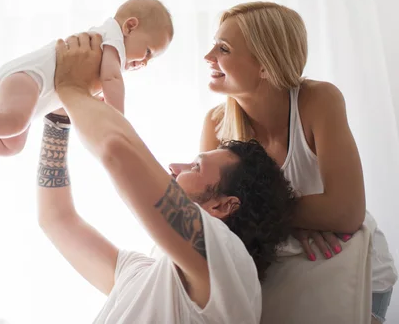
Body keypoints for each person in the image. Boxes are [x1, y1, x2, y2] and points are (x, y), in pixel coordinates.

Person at [36, 33, 296, 323]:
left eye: (196, 167)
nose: (174, 166)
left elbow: (117, 151)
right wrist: (57, 123)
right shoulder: (140, 271)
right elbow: (56, 218)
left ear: (223, 206)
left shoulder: (228, 261)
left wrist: (71, 87)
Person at [199, 1, 397, 323]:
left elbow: (346, 212)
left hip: (355, 274)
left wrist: (267, 216)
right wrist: (300, 217)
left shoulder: (318, 101)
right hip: (284, 278)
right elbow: (210, 217)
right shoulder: (216, 123)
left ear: (265, 63)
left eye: (223, 48)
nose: (208, 57)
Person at [0, 0, 173, 181]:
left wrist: (95, 102)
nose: (144, 63)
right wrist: (117, 118)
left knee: (12, 145)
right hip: (27, 77)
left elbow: (88, 89)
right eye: (149, 52)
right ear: (130, 26)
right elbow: (112, 79)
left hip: (33, 93)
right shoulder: (113, 38)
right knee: (15, 122)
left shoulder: (108, 49)